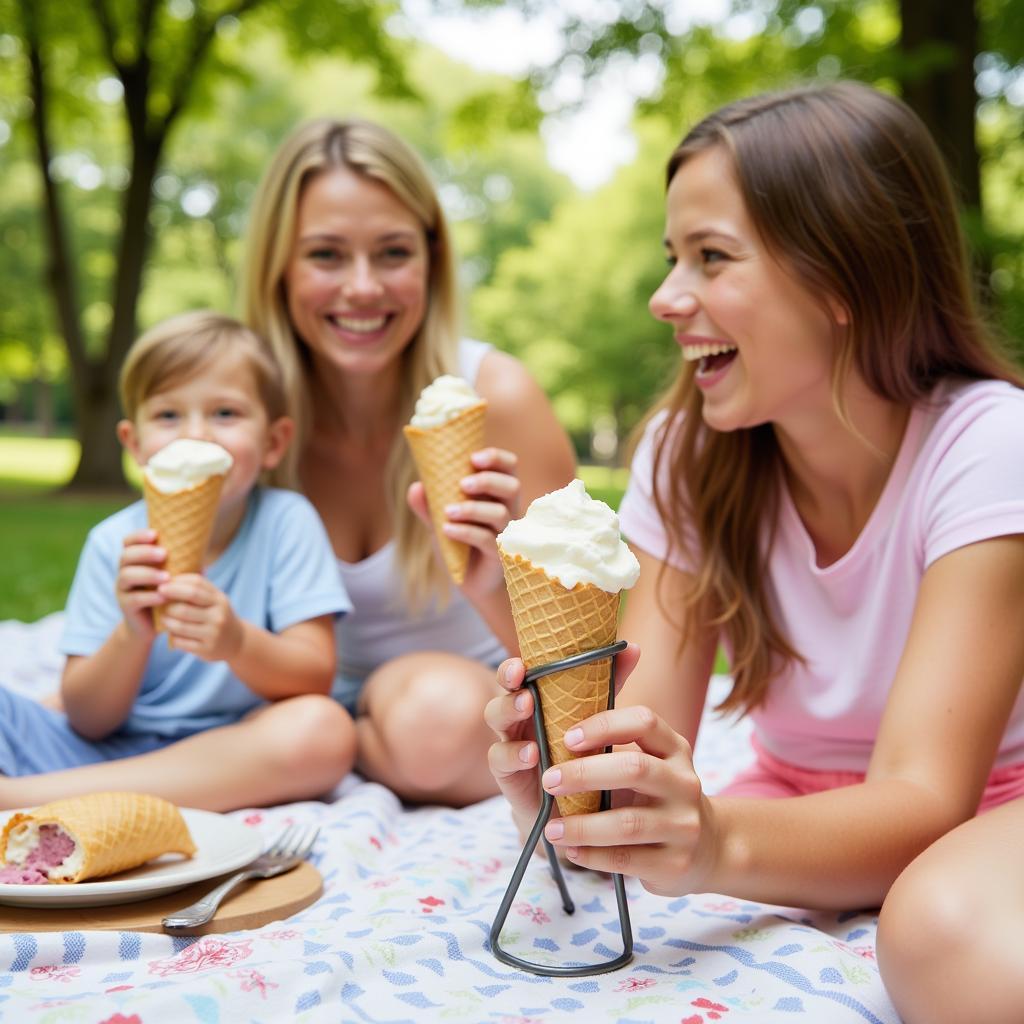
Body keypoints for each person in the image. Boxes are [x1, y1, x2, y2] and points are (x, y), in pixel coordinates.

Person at [484, 81, 1024, 1024]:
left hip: (995, 802)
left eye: (711, 258)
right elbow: (646, 737)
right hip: (790, 799)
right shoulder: (688, 456)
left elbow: (928, 798)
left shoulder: (989, 443)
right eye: (671, 259)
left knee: (941, 936)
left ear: (845, 277)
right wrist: (575, 788)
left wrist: (720, 842)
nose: (664, 298)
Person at [240, 118, 576, 807]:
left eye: (392, 253)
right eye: (326, 255)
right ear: (278, 266)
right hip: (285, 692)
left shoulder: (499, 399)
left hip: (451, 703)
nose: (362, 287)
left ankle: (314, 751)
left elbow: (581, 666)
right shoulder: (238, 412)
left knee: (438, 725)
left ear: (431, 259)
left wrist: (499, 576)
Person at [0, 311, 355, 812]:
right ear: (135, 445)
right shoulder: (114, 543)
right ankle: (82, 795)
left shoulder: (286, 522)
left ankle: (18, 798)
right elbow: (87, 718)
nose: (196, 436)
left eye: (225, 414)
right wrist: (131, 633)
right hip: (99, 750)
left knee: (323, 729)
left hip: (232, 748)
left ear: (273, 442)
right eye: (169, 416)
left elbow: (314, 676)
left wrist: (236, 641)